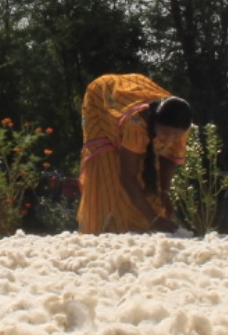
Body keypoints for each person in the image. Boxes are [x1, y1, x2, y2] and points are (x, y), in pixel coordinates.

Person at [77, 73, 192, 234]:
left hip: (133, 95)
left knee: (148, 183)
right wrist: (154, 219)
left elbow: (168, 159)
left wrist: (164, 192)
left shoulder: (179, 128)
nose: (169, 140)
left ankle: (139, 226)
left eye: (175, 136)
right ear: (154, 122)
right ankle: (104, 231)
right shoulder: (136, 124)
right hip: (103, 98)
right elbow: (127, 177)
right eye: (165, 133)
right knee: (108, 172)